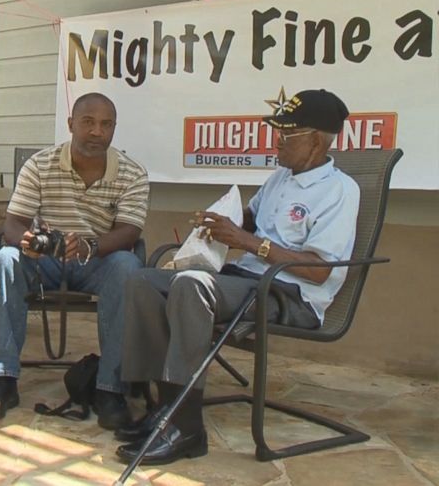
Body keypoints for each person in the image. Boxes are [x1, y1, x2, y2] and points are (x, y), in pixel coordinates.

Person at [115, 89, 360, 465]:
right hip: (245, 280)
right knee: (143, 282)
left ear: (315, 140)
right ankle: (162, 407)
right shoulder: (280, 178)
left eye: (285, 135)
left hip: (291, 295)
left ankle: (186, 428)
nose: (276, 141)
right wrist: (221, 223)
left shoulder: (340, 191)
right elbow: (253, 220)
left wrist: (247, 241)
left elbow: (318, 268)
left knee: (191, 285)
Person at [0, 92, 149, 428]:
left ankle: (110, 387)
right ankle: (2, 381)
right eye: (88, 122)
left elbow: (129, 232)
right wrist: (25, 240)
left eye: (106, 124)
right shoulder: (40, 164)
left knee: (129, 267)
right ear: (70, 125)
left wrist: (89, 247)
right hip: (45, 261)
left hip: (99, 260)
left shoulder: (132, 173)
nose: (97, 131)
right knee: (3, 260)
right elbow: (13, 221)